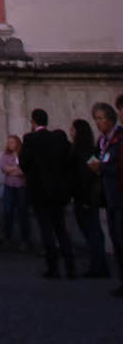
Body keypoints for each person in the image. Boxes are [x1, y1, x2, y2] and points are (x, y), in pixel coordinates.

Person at [20, 108, 74, 279]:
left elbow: (24, 164)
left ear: (33, 122)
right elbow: (68, 160)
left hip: (40, 192)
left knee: (46, 230)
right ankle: (70, 266)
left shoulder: (29, 139)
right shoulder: (59, 138)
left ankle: (53, 268)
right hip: (58, 192)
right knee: (60, 229)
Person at [69, 117, 108, 278]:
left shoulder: (85, 151)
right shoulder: (83, 149)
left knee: (92, 231)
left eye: (73, 129)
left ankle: (98, 265)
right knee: (92, 231)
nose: (71, 132)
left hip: (85, 197)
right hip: (83, 195)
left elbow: (89, 175)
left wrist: (85, 198)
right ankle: (98, 263)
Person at [92, 101, 123, 294]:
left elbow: (119, 167)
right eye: (96, 119)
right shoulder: (102, 141)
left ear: (111, 119)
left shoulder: (119, 140)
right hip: (109, 196)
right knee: (116, 239)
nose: (98, 123)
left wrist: (101, 167)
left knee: (121, 238)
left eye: (100, 118)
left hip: (119, 194)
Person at [0, 134, 30, 249]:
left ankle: (25, 240)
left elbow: (23, 170)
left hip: (21, 186)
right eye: (9, 142)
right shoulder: (6, 155)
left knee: (22, 213)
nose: (10, 144)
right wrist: (14, 169)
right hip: (9, 186)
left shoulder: (22, 155)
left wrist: (12, 169)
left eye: (12, 142)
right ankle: (7, 238)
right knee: (8, 212)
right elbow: (3, 168)